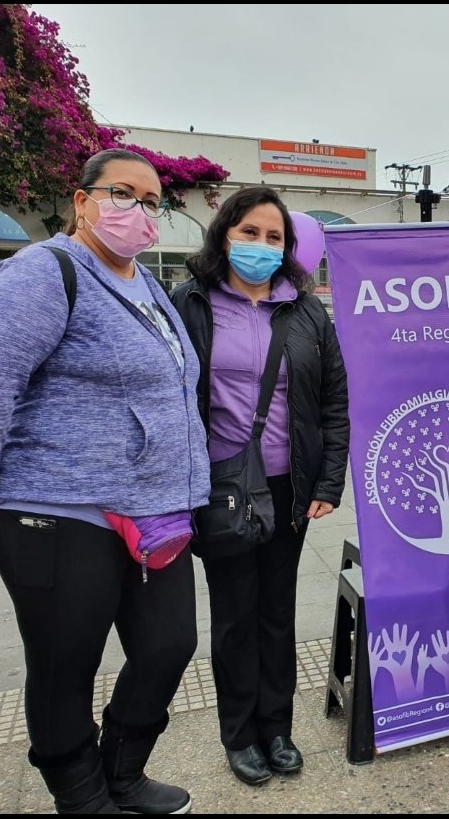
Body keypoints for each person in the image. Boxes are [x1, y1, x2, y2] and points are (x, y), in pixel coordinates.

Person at [0, 148, 210, 814]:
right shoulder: (45, 272)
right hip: (56, 506)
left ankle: (122, 771)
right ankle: (82, 794)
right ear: (82, 199)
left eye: (154, 202)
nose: (140, 211)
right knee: (67, 664)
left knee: (170, 643)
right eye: (124, 193)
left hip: (152, 508)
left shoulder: (146, 285)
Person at [170, 186, 349, 787]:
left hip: (287, 483)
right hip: (221, 487)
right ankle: (240, 734)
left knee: (277, 612)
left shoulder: (305, 311)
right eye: (250, 232)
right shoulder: (190, 301)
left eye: (275, 237)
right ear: (224, 234)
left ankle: (278, 729)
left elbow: (333, 401)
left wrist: (328, 479)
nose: (262, 246)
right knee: (234, 615)